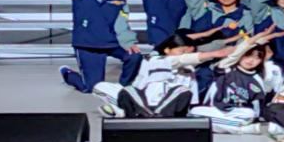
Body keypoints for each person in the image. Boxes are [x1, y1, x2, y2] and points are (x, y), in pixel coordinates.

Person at [60, 0, 145, 93]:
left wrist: (129, 43)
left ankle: (123, 88)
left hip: (111, 42)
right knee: (91, 88)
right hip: (88, 45)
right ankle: (68, 74)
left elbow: (121, 24)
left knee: (134, 56)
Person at [95, 32, 234, 118]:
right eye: (182, 51)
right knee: (101, 87)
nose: (186, 55)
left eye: (189, 52)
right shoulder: (155, 60)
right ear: (167, 50)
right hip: (143, 99)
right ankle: (141, 112)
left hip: (169, 106)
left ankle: (127, 112)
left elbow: (189, 98)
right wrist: (214, 53)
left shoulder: (189, 69)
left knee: (182, 92)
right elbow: (180, 60)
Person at [190, 31, 283, 134]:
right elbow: (235, 54)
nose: (251, 60)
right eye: (248, 55)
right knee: (195, 113)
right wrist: (255, 40)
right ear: (241, 55)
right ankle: (241, 129)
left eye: (257, 58)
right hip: (216, 110)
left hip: (237, 113)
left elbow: (256, 108)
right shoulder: (226, 68)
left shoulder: (257, 79)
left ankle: (220, 126)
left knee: (250, 113)